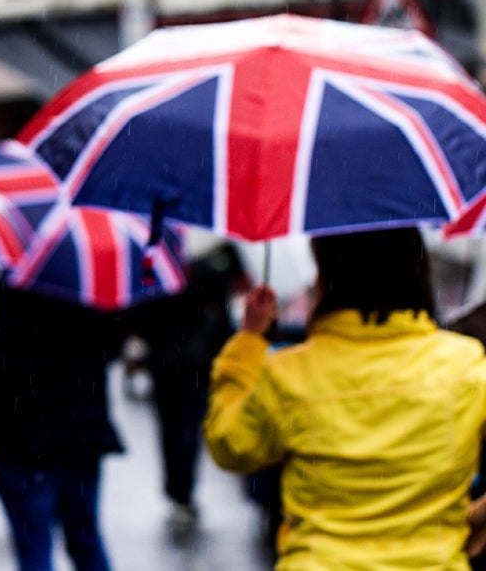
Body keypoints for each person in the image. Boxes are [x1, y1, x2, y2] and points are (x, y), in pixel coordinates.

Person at [205, 227, 486, 570]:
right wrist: (472, 520)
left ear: (327, 274)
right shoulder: (466, 365)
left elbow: (230, 444)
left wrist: (249, 342)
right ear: (417, 268)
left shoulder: (291, 373)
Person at [0, 280, 126, 571]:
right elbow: (111, 348)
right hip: (80, 437)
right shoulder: (89, 286)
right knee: (85, 539)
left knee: (34, 546)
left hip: (24, 440)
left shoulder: (15, 288)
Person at [126, 242, 242, 536]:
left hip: (168, 363)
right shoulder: (207, 270)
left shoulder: (157, 269)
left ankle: (177, 489)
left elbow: (141, 317)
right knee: (188, 427)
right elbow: (222, 319)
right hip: (195, 364)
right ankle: (183, 490)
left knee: (171, 428)